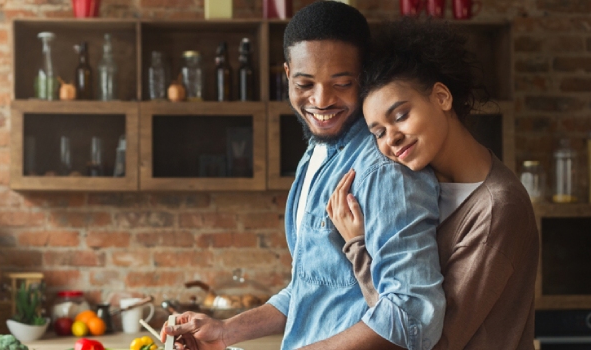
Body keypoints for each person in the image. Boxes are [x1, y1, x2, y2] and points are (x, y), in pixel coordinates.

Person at [161, 2, 446, 349]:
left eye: (341, 83)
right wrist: (227, 331)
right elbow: (314, 284)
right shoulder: (318, 152)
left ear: (364, 75)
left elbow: (412, 320)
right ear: (287, 75)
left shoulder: (384, 169)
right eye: (305, 83)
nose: (321, 100)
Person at [326, 19, 538, 349]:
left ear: (441, 97)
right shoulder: (422, 187)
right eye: (378, 132)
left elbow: (422, 337)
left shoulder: (497, 209)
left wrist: (357, 246)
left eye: (400, 115)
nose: (391, 139)